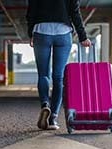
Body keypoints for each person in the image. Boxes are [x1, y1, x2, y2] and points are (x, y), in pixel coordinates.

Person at [26, 0, 91, 130]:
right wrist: (83, 37)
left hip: (41, 31)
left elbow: (31, 12)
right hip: (63, 32)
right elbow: (75, 12)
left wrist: (30, 33)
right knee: (58, 77)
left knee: (43, 74)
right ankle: (53, 118)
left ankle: (45, 104)